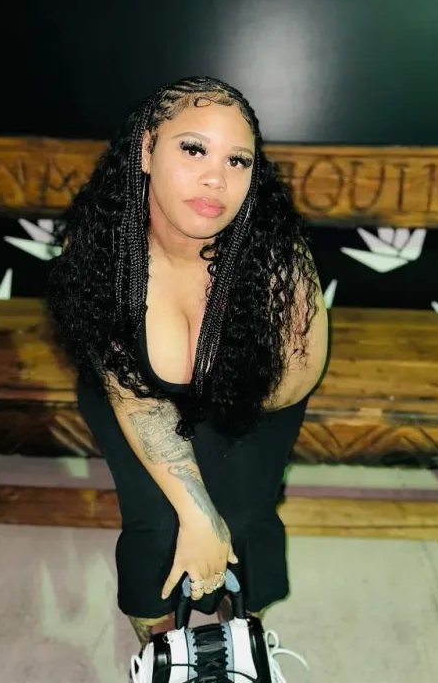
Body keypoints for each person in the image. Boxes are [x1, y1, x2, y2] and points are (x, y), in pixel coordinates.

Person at [46, 76, 329, 660]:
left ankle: (243, 630)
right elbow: (135, 397)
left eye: (237, 160)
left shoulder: (276, 258)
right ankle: (162, 643)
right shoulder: (104, 251)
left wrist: (214, 499)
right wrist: (195, 515)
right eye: (194, 149)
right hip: (134, 395)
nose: (215, 179)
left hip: (251, 400)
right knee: (158, 517)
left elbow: (294, 381)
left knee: (243, 512)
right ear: (147, 151)